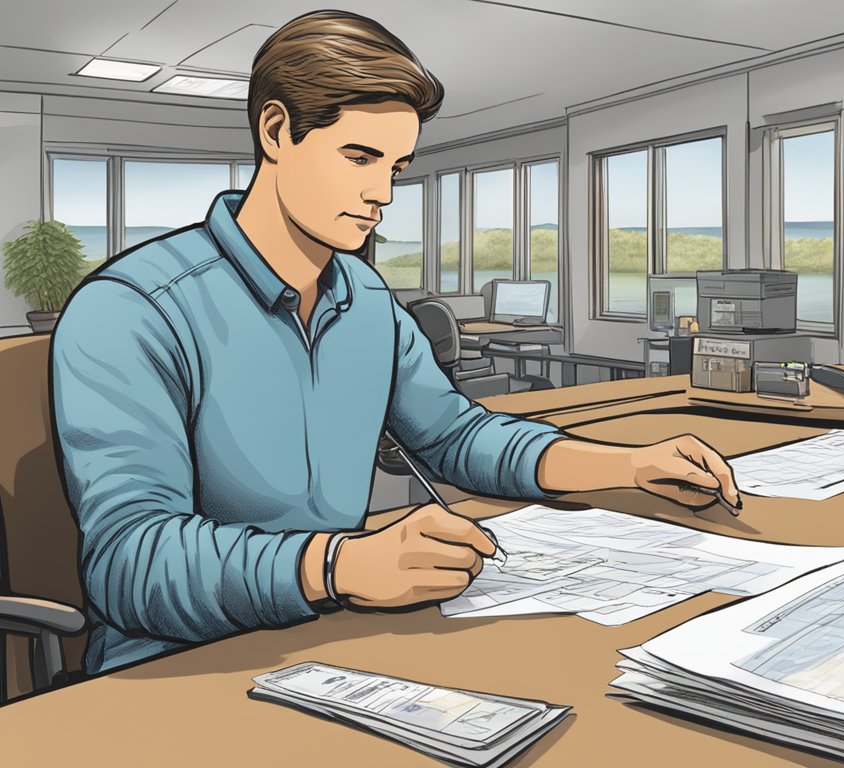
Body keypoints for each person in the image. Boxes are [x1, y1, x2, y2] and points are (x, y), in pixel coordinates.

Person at [50, 10, 741, 675]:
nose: (381, 192)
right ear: (276, 131)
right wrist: (340, 566)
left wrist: (625, 466)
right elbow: (130, 562)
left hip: (342, 634)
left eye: (397, 167)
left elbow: (457, 439)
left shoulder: (368, 299)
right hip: (180, 669)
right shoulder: (133, 309)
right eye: (359, 156)